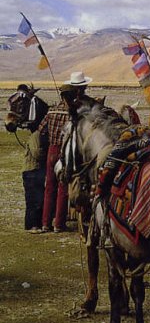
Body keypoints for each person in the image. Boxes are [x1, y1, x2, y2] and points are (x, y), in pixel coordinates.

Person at [39, 80, 83, 232]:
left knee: (49, 187)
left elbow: (41, 130)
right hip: (65, 152)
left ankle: (45, 223)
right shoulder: (73, 113)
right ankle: (59, 224)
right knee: (63, 188)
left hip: (51, 150)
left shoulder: (51, 111)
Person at [21, 122, 47, 232]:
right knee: (35, 199)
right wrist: (47, 155)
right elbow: (37, 153)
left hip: (30, 171)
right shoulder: (36, 136)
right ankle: (34, 225)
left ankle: (30, 224)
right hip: (32, 171)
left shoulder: (34, 135)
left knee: (32, 199)